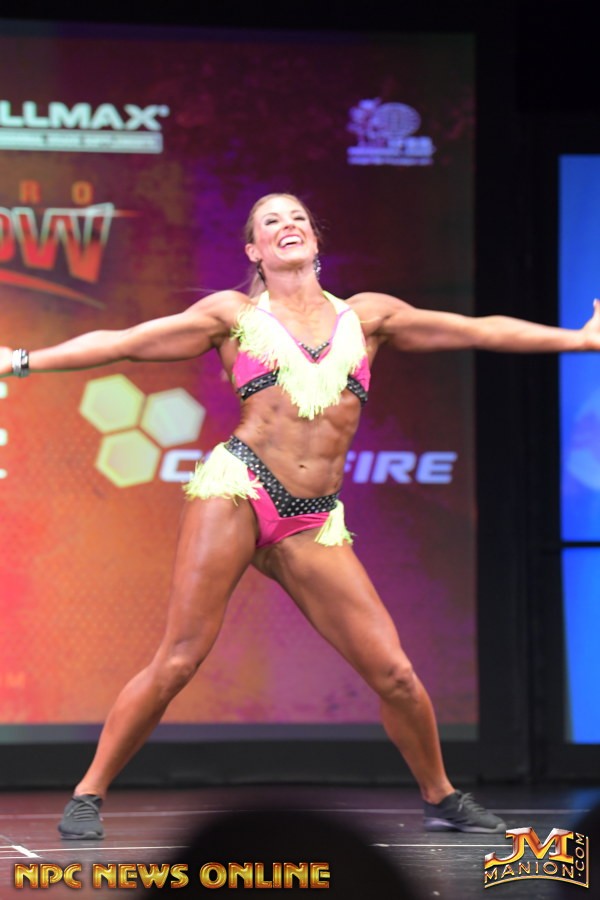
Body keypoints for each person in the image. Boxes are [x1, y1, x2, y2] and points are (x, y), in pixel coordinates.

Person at [2, 193, 599, 841]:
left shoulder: (367, 317)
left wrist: (577, 339)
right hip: (238, 489)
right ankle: (88, 794)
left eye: (297, 218)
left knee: (395, 674)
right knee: (178, 660)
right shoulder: (233, 316)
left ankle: (441, 796)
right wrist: (22, 360)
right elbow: (124, 345)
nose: (287, 225)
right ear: (254, 250)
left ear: (315, 237)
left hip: (314, 518)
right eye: (271, 221)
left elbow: (476, 329)